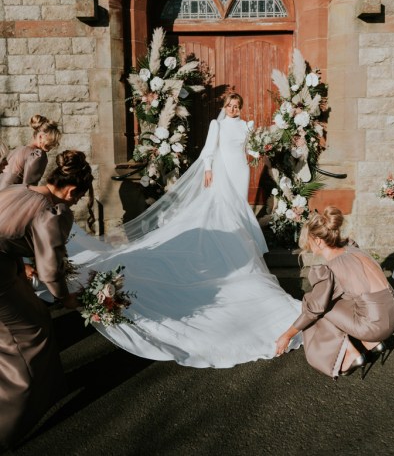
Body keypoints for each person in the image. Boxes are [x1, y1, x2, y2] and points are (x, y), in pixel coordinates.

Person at [70, 93, 302, 368]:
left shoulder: (246, 125)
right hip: (222, 171)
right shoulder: (218, 125)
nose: (233, 109)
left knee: (239, 208)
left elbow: (250, 151)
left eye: (237, 105)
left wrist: (257, 151)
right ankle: (228, 245)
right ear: (224, 107)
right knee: (224, 211)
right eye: (229, 105)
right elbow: (209, 149)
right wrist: (207, 169)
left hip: (240, 171)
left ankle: (240, 240)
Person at [0, 150, 94, 448]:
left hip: (7, 268)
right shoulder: (48, 213)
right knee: (30, 337)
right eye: (79, 198)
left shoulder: (19, 188)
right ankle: (7, 424)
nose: (77, 203)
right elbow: (50, 267)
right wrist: (65, 299)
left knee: (36, 316)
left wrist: (19, 262)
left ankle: (50, 388)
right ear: (70, 190)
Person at [275, 207, 394, 379]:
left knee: (313, 302)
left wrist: (287, 335)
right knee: (337, 297)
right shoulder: (352, 249)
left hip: (375, 326)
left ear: (318, 241)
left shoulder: (330, 268)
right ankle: (372, 343)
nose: (308, 248)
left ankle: (350, 353)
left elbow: (314, 309)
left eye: (309, 242)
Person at [0, 114, 61, 190]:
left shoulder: (17, 150)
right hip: (14, 198)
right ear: (40, 137)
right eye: (50, 142)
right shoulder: (37, 155)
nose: (53, 146)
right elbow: (29, 189)